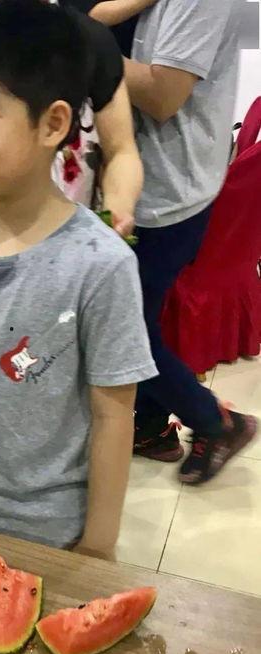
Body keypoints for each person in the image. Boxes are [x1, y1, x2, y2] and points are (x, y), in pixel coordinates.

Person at [0, 0, 157, 557]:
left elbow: (113, 412)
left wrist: (99, 542)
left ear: (53, 124)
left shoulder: (101, 264)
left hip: (53, 528)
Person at [117, 0, 257, 480]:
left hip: (165, 195)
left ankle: (217, 422)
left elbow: (163, 95)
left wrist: (75, 40)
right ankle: (151, 428)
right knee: (135, 319)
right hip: (129, 186)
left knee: (126, 330)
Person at [0, 0, 143, 237]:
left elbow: (120, 150)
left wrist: (115, 214)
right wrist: (16, 238)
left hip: (82, 233)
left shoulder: (88, 42)